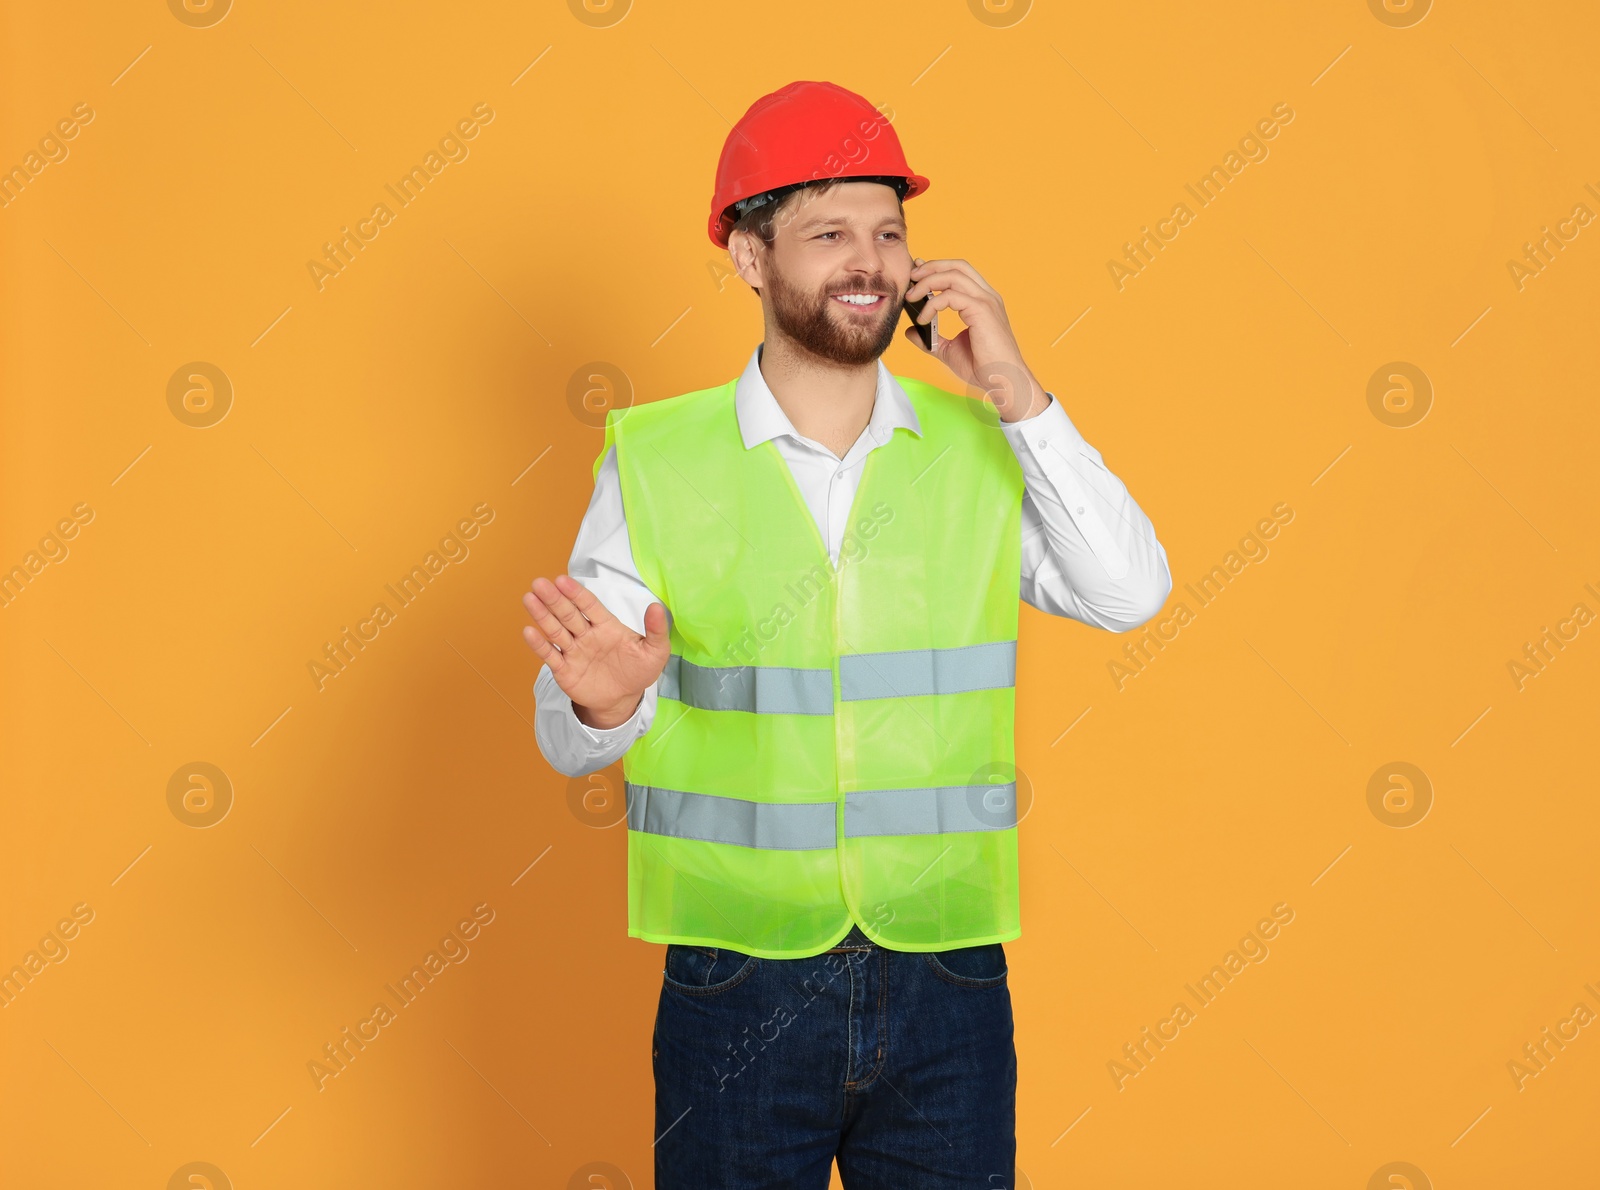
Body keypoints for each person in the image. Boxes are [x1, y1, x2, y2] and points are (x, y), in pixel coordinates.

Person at [522, 79, 1170, 1189]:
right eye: (827, 233)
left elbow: (1128, 592)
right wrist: (606, 698)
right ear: (750, 257)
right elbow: (567, 731)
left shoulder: (981, 446)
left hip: (946, 974)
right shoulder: (658, 460)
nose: (866, 258)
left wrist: (1023, 397)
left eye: (887, 230)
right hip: (737, 980)